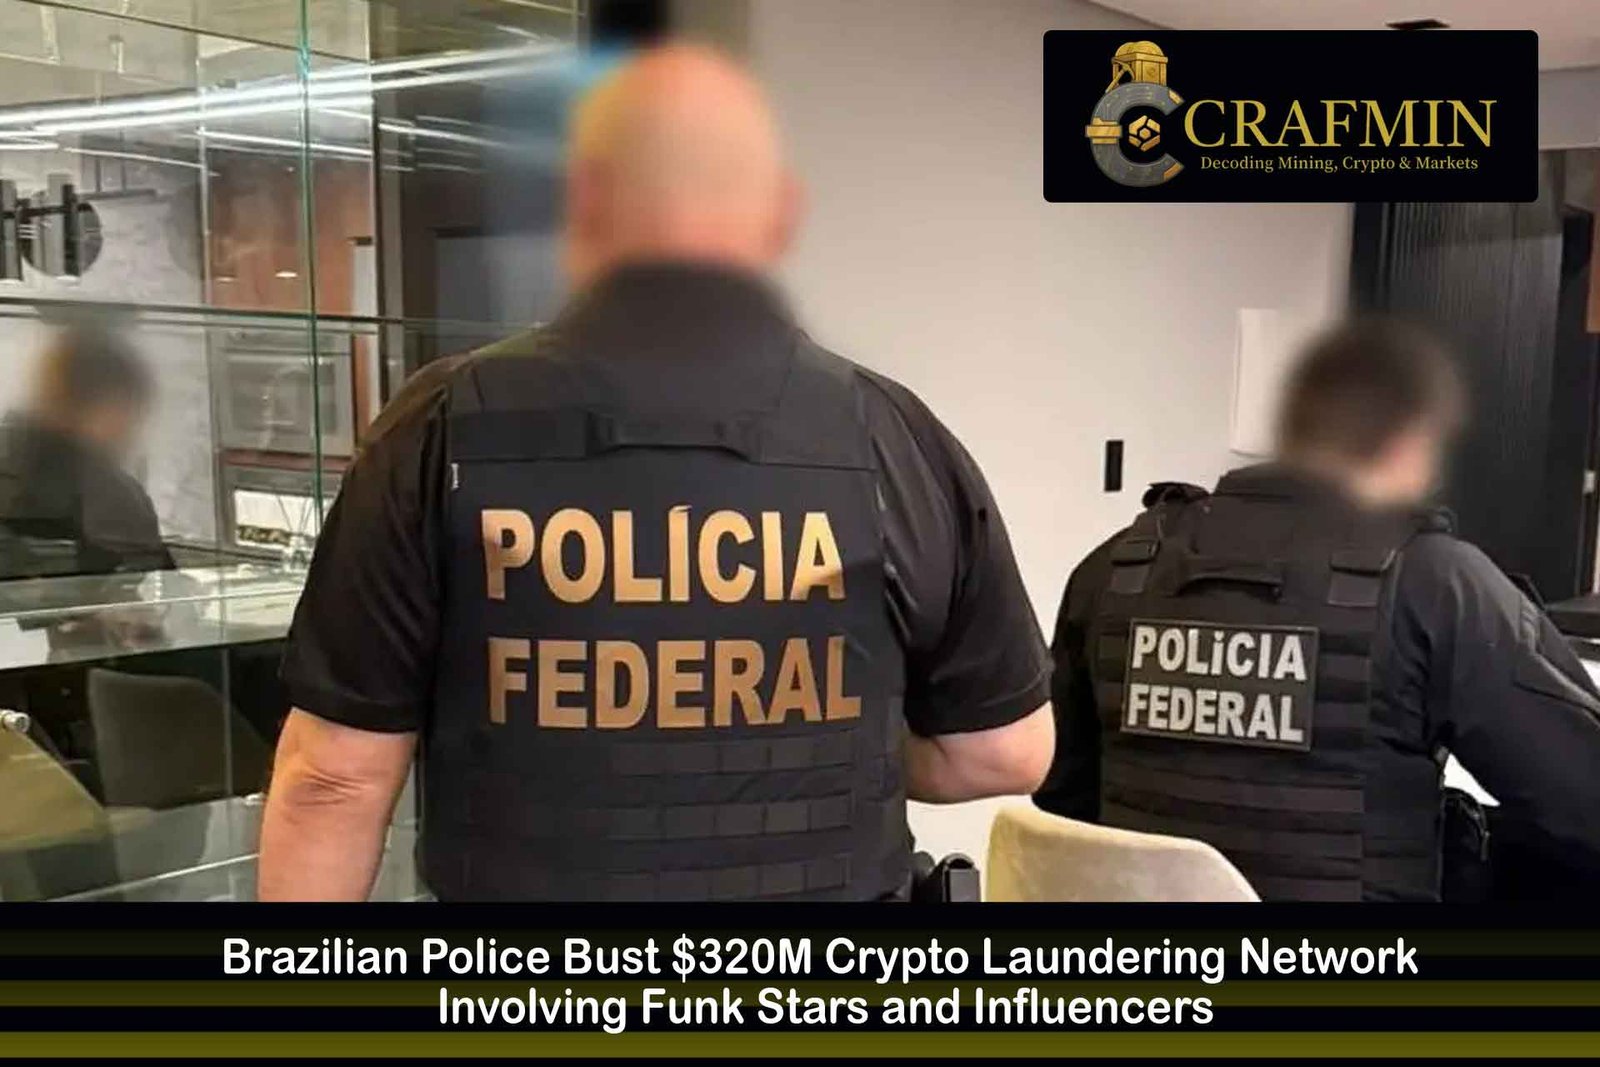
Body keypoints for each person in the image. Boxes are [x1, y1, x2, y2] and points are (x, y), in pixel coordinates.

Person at [258, 44, 1053, 902]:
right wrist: (818, 749)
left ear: (586, 201)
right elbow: (1005, 750)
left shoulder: (440, 428)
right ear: (779, 213)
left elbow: (332, 780)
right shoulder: (891, 436)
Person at [1034, 316, 1600, 901]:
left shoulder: (1116, 568)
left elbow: (1061, 798)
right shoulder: (1433, 581)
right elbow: (1583, 796)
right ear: (1410, 442)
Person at [0, 322, 173, 580]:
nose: (131, 428)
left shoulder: (112, 489)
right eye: (125, 412)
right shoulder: (110, 490)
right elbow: (150, 577)